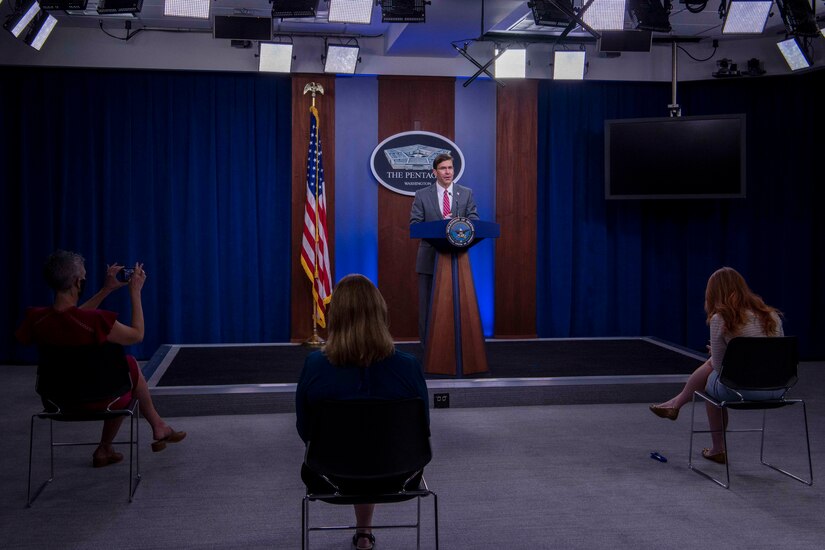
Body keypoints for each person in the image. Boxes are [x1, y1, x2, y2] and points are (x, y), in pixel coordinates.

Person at [296, 274, 430, 550]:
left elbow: (305, 430)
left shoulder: (315, 366)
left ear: (335, 317)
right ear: (381, 313)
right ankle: (364, 532)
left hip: (329, 475)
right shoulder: (408, 368)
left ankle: (364, 530)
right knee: (370, 451)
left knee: (358, 453)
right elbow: (423, 429)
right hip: (400, 474)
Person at [15, 250, 185, 468]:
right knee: (129, 368)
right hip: (102, 400)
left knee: (123, 374)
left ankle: (109, 447)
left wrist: (106, 290)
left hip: (55, 402)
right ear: (78, 282)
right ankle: (155, 427)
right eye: (83, 277)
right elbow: (137, 335)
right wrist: (135, 292)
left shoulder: (37, 319)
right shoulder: (97, 321)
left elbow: (69, 318)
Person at [649, 267, 784, 464]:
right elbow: (777, 356)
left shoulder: (720, 318)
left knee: (710, 381)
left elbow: (721, 369)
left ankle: (717, 447)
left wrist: (719, 354)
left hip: (742, 391)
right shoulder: (771, 316)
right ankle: (675, 404)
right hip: (777, 389)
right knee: (713, 368)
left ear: (713, 293)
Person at [409, 153, 479, 343]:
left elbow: (475, 221)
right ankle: (427, 346)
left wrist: (459, 224)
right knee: (427, 306)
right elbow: (415, 225)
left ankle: (459, 345)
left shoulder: (465, 193)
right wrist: (441, 225)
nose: (447, 172)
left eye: (450, 168)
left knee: (457, 305)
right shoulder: (422, 195)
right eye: (443, 168)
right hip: (429, 259)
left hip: (457, 259)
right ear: (434, 172)